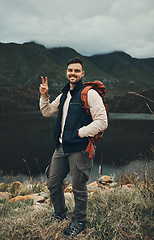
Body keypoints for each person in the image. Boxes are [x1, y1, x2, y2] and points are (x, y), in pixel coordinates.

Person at [39, 57, 108, 238]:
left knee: (78, 188)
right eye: (70, 70)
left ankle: (78, 221)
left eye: (77, 71)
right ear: (66, 72)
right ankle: (60, 214)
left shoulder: (89, 93)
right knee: (53, 182)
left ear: (82, 74)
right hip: (61, 147)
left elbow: (102, 122)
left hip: (80, 149)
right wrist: (44, 95)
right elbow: (46, 111)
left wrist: (79, 133)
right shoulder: (64, 95)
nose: (73, 73)